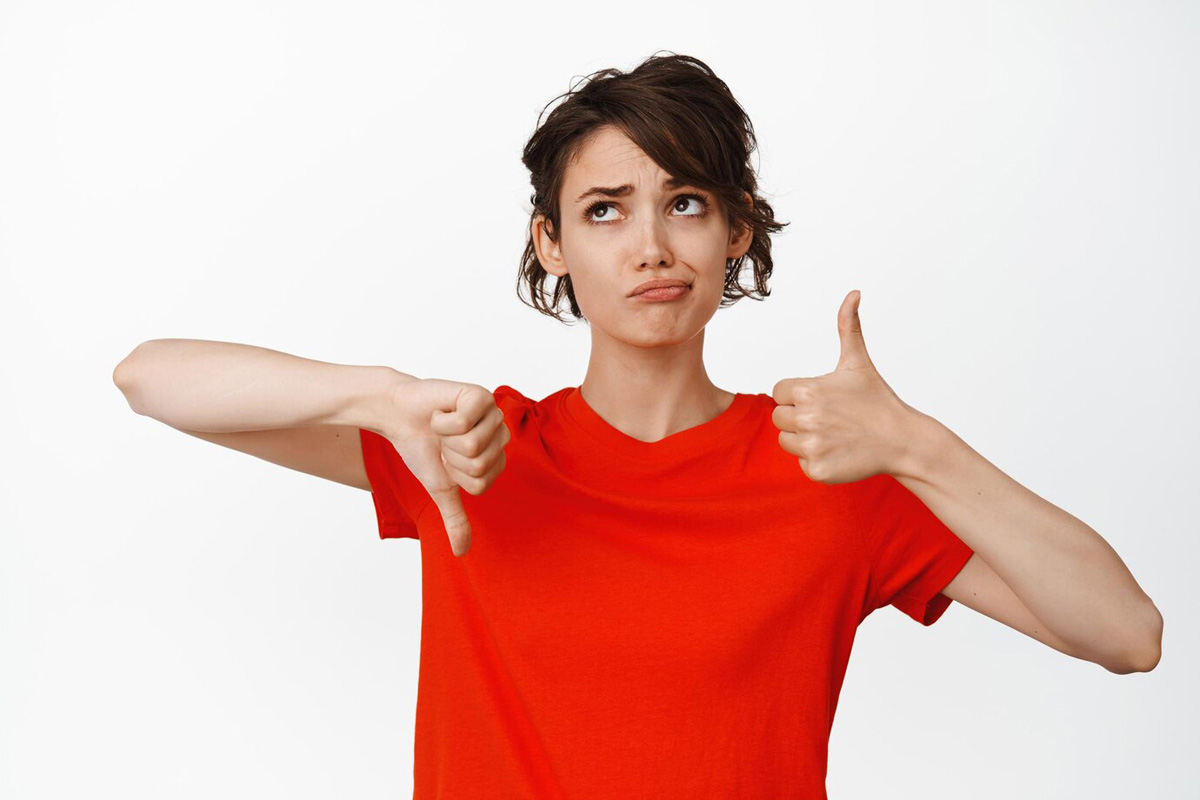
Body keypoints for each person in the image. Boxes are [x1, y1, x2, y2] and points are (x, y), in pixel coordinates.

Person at [114, 51, 1163, 799]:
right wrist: (375, 394)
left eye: (688, 201)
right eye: (606, 209)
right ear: (553, 241)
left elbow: (1127, 634)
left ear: (736, 228)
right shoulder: (473, 448)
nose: (651, 244)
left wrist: (919, 445)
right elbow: (151, 379)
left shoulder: (832, 461)